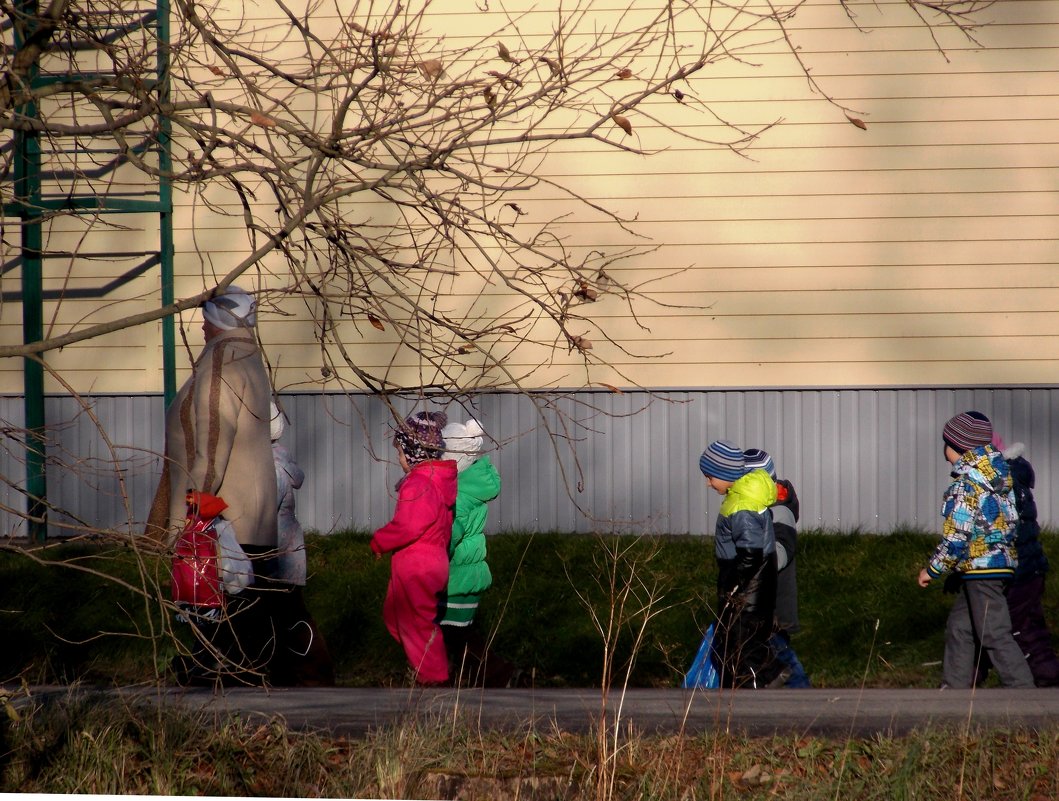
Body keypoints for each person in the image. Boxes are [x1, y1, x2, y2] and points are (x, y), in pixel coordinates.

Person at [151, 286, 280, 685]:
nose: (202, 327)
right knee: (243, 612)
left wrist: (192, 511)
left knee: (214, 602)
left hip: (223, 513)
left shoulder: (221, 363)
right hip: (251, 511)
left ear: (217, 321)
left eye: (206, 319)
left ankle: (215, 674)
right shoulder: (249, 356)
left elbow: (210, 440)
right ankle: (232, 673)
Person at [917, 411, 1034, 689]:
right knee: (960, 628)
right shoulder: (998, 478)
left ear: (957, 447)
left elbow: (957, 535)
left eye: (945, 444)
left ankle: (1025, 693)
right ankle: (954, 689)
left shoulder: (966, 485)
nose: (944, 451)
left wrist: (933, 569)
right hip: (987, 567)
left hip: (983, 569)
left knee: (993, 632)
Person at [371, 411, 457, 686]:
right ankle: (423, 665)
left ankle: (434, 678)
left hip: (417, 566)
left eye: (400, 453)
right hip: (427, 562)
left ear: (413, 451)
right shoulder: (434, 482)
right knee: (398, 616)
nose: (399, 460)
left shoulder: (419, 485)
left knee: (418, 624)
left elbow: (407, 527)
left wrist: (380, 540)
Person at [699, 439, 789, 689]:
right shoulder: (743, 497)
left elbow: (750, 551)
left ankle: (757, 683)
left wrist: (735, 584)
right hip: (755, 580)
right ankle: (757, 678)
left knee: (740, 638)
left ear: (726, 474)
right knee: (738, 635)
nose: (708, 483)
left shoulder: (742, 505)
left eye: (710, 477)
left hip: (748, 582)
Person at [438, 419, 521, 687]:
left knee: (454, 634)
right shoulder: (471, 484)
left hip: (456, 577)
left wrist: (433, 556)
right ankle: (478, 676)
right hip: (465, 575)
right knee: (458, 634)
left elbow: (451, 532)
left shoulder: (459, 494)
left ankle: (496, 673)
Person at [268, 402, 335, 687]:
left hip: (278, 556)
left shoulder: (270, 469)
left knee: (290, 615)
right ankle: (289, 671)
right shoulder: (276, 462)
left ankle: (314, 673)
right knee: (283, 616)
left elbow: (262, 511)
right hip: (283, 554)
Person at [989, 434, 1059, 686]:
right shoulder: (1016, 476)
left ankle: (1036, 682)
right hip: (1030, 567)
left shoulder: (1003, 481)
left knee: (1017, 628)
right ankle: (1046, 677)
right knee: (1029, 626)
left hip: (1019, 570)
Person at [744, 448, 811, 688]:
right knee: (769, 650)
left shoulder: (779, 511)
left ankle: (801, 690)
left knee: (779, 652)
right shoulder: (757, 510)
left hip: (774, 604)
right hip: (760, 601)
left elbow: (781, 551)